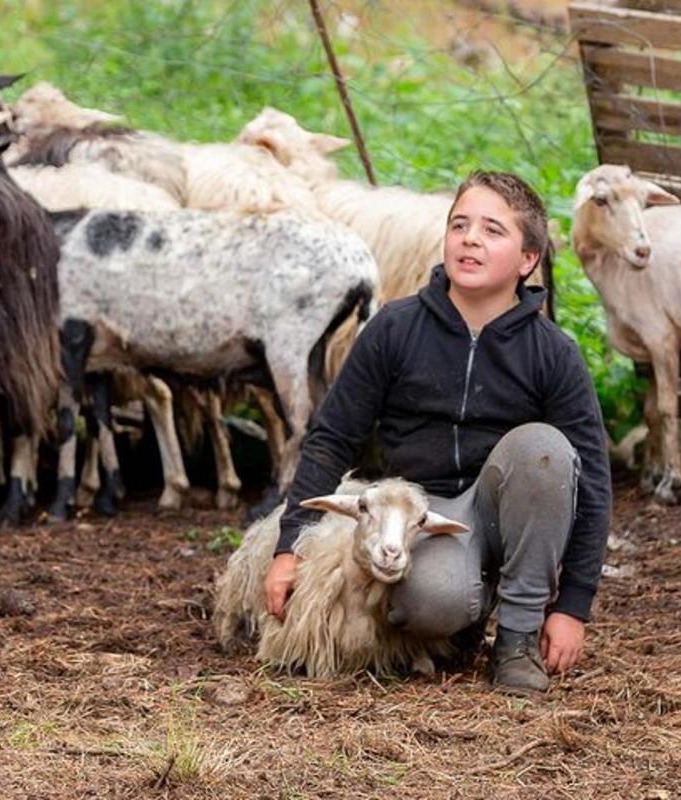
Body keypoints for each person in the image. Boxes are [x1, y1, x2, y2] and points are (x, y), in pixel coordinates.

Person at [262, 170, 611, 694]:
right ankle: (467, 606)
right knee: (428, 606)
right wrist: (290, 545)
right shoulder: (395, 328)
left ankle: (516, 638)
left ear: (528, 261)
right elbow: (333, 436)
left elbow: (595, 478)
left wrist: (573, 605)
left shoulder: (551, 353)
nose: (470, 239)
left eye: (493, 230)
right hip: (424, 515)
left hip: (504, 508)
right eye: (459, 225)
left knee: (545, 450)